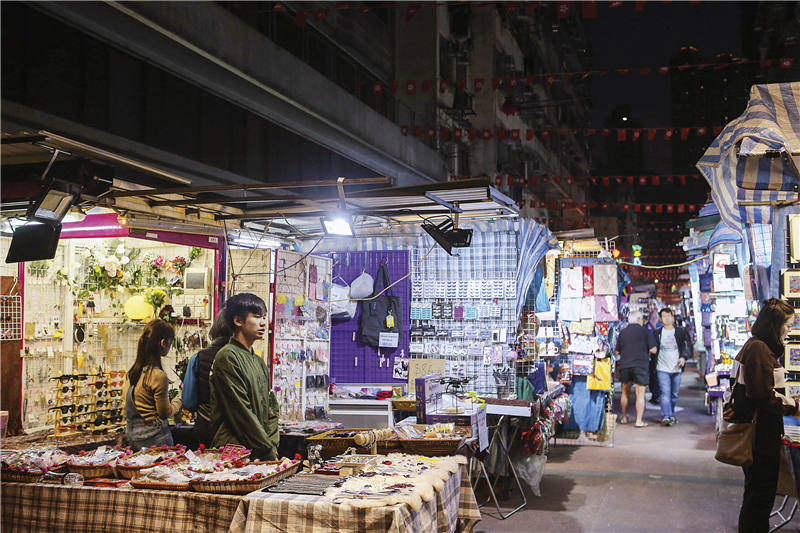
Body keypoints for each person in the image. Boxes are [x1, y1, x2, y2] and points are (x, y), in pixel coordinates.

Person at [727, 299, 800, 533]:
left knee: (756, 496)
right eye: (787, 325)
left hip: (760, 433)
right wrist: (792, 406)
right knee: (759, 497)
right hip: (759, 436)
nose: (788, 331)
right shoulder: (759, 349)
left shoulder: (756, 346)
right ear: (774, 325)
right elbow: (761, 394)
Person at [209, 293, 279, 460]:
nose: (263, 323)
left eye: (263, 317)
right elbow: (241, 412)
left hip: (259, 449)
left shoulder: (259, 362)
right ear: (238, 321)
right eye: (256, 317)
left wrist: (272, 444)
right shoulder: (227, 356)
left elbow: (271, 408)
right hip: (235, 452)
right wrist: (268, 449)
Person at [124, 319, 182, 450]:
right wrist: (180, 398)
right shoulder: (157, 376)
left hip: (135, 444)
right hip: (157, 445)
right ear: (163, 342)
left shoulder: (132, 374)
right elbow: (164, 413)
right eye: (170, 343)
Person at [181, 308, 231, 447]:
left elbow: (188, 401)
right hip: (234, 430)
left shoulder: (198, 357)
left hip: (206, 427)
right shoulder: (243, 358)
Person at [615, 311, 657, 427]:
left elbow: (617, 351)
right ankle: (639, 421)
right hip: (640, 365)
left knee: (625, 392)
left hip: (625, 365)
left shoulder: (623, 332)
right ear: (639, 319)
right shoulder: (645, 331)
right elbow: (653, 350)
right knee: (640, 393)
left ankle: (623, 417)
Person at [654, 308, 693, 426]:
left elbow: (687, 346)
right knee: (665, 393)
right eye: (663, 316)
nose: (666, 318)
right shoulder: (657, 333)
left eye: (668, 315)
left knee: (674, 395)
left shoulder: (681, 331)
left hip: (677, 367)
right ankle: (666, 416)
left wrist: (683, 357)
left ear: (672, 317)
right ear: (660, 319)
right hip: (662, 367)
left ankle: (670, 414)